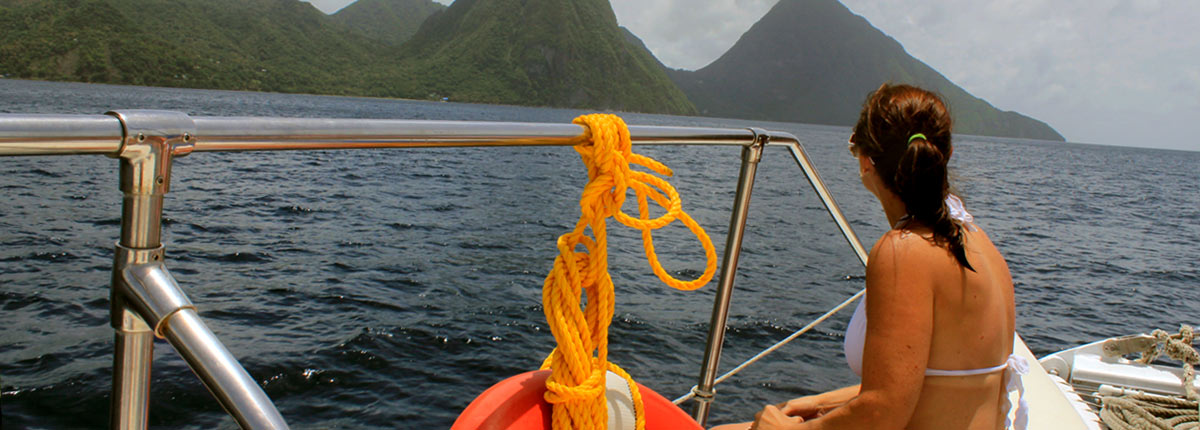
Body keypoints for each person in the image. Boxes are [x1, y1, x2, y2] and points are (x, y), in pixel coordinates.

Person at [712, 83, 1024, 430]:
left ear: (864, 160)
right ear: (946, 154)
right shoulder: (978, 242)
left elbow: (884, 411)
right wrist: (819, 404)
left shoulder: (903, 251)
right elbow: (927, 385)